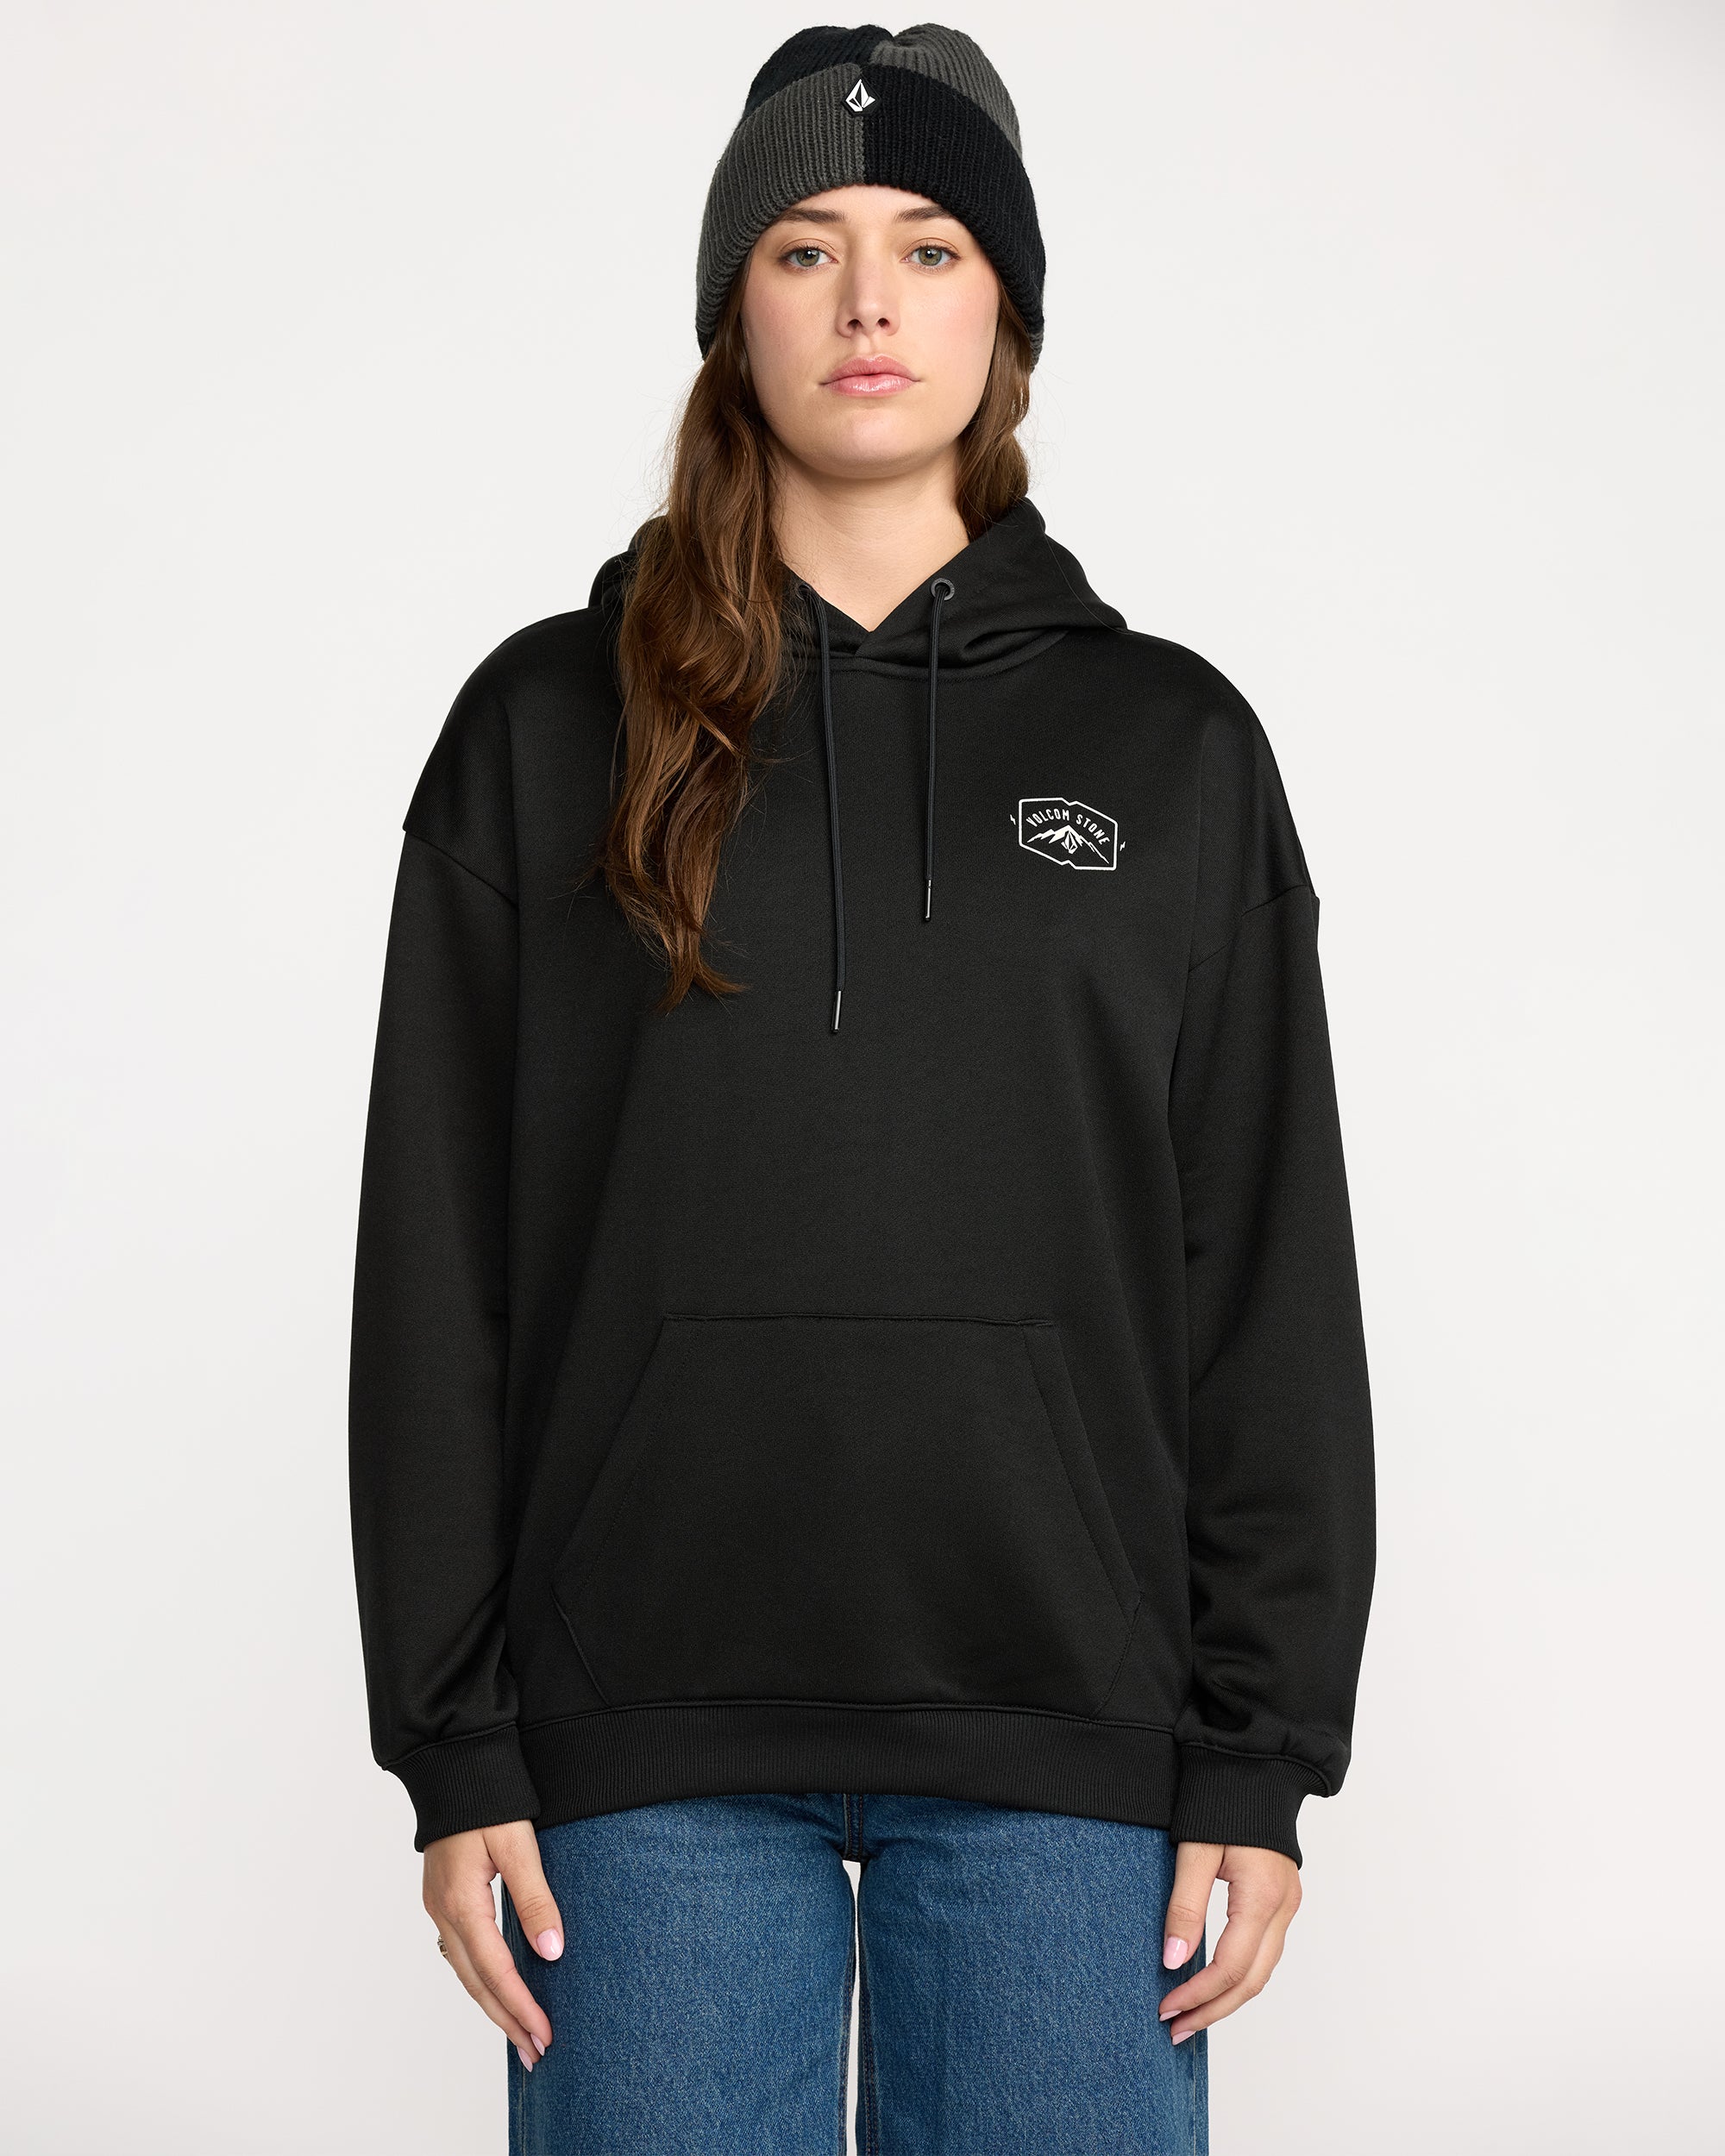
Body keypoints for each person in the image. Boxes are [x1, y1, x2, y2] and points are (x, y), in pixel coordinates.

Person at [348, 23, 1376, 2155]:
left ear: (1004, 313)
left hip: (1066, 1735)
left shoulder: (1170, 748)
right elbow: (436, 1263)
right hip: (633, 1739)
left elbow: (1264, 1266)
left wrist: (1258, 1745)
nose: (868, 301)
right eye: (805, 248)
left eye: (928, 246)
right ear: (732, 308)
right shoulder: (544, 727)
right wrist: (452, 1742)